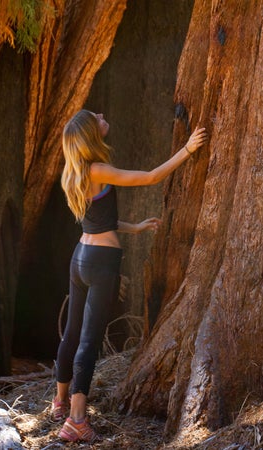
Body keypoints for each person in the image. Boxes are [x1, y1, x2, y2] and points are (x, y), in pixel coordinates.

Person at [50, 109, 207, 442]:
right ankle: (77, 421)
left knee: (72, 334)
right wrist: (188, 150)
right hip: (101, 262)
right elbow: (150, 177)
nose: (102, 114)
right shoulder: (99, 169)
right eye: (95, 116)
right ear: (92, 134)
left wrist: (133, 227)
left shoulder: (74, 172)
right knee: (89, 341)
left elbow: (97, 221)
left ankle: (60, 402)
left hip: (80, 258)